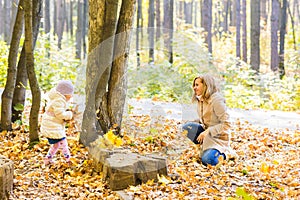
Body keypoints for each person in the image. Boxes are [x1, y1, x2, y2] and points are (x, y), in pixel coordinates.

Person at [183, 74, 235, 166]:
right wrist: (192, 122)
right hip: (207, 135)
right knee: (186, 127)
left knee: (208, 160)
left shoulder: (216, 100)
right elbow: (205, 119)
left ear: (206, 85)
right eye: (194, 85)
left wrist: (208, 131)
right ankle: (205, 148)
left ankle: (226, 154)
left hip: (219, 138)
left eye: (197, 85)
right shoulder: (201, 99)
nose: (194, 88)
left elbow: (227, 124)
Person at [41, 80, 74, 165]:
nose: (71, 96)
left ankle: (47, 159)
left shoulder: (58, 99)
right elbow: (60, 114)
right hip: (52, 127)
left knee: (56, 145)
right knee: (64, 143)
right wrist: (69, 114)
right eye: (70, 94)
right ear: (65, 94)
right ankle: (69, 160)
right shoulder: (58, 100)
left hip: (52, 125)